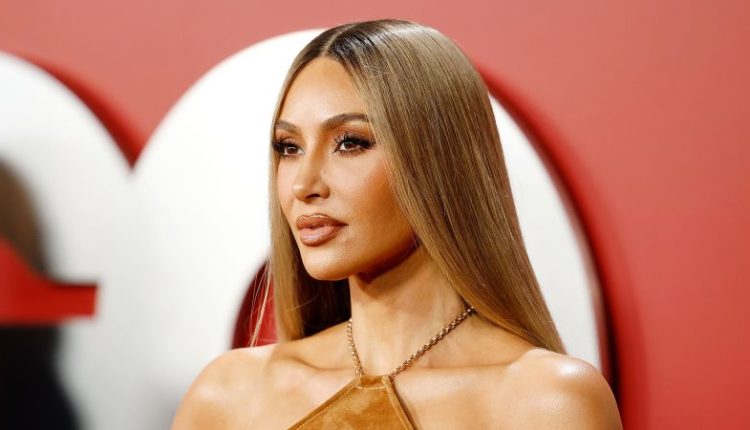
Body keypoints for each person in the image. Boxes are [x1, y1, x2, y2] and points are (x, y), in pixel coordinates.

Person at [172, 19, 623, 429]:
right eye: (289, 147)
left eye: (351, 142)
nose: (303, 184)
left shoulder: (547, 402)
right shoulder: (227, 397)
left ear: (440, 161)